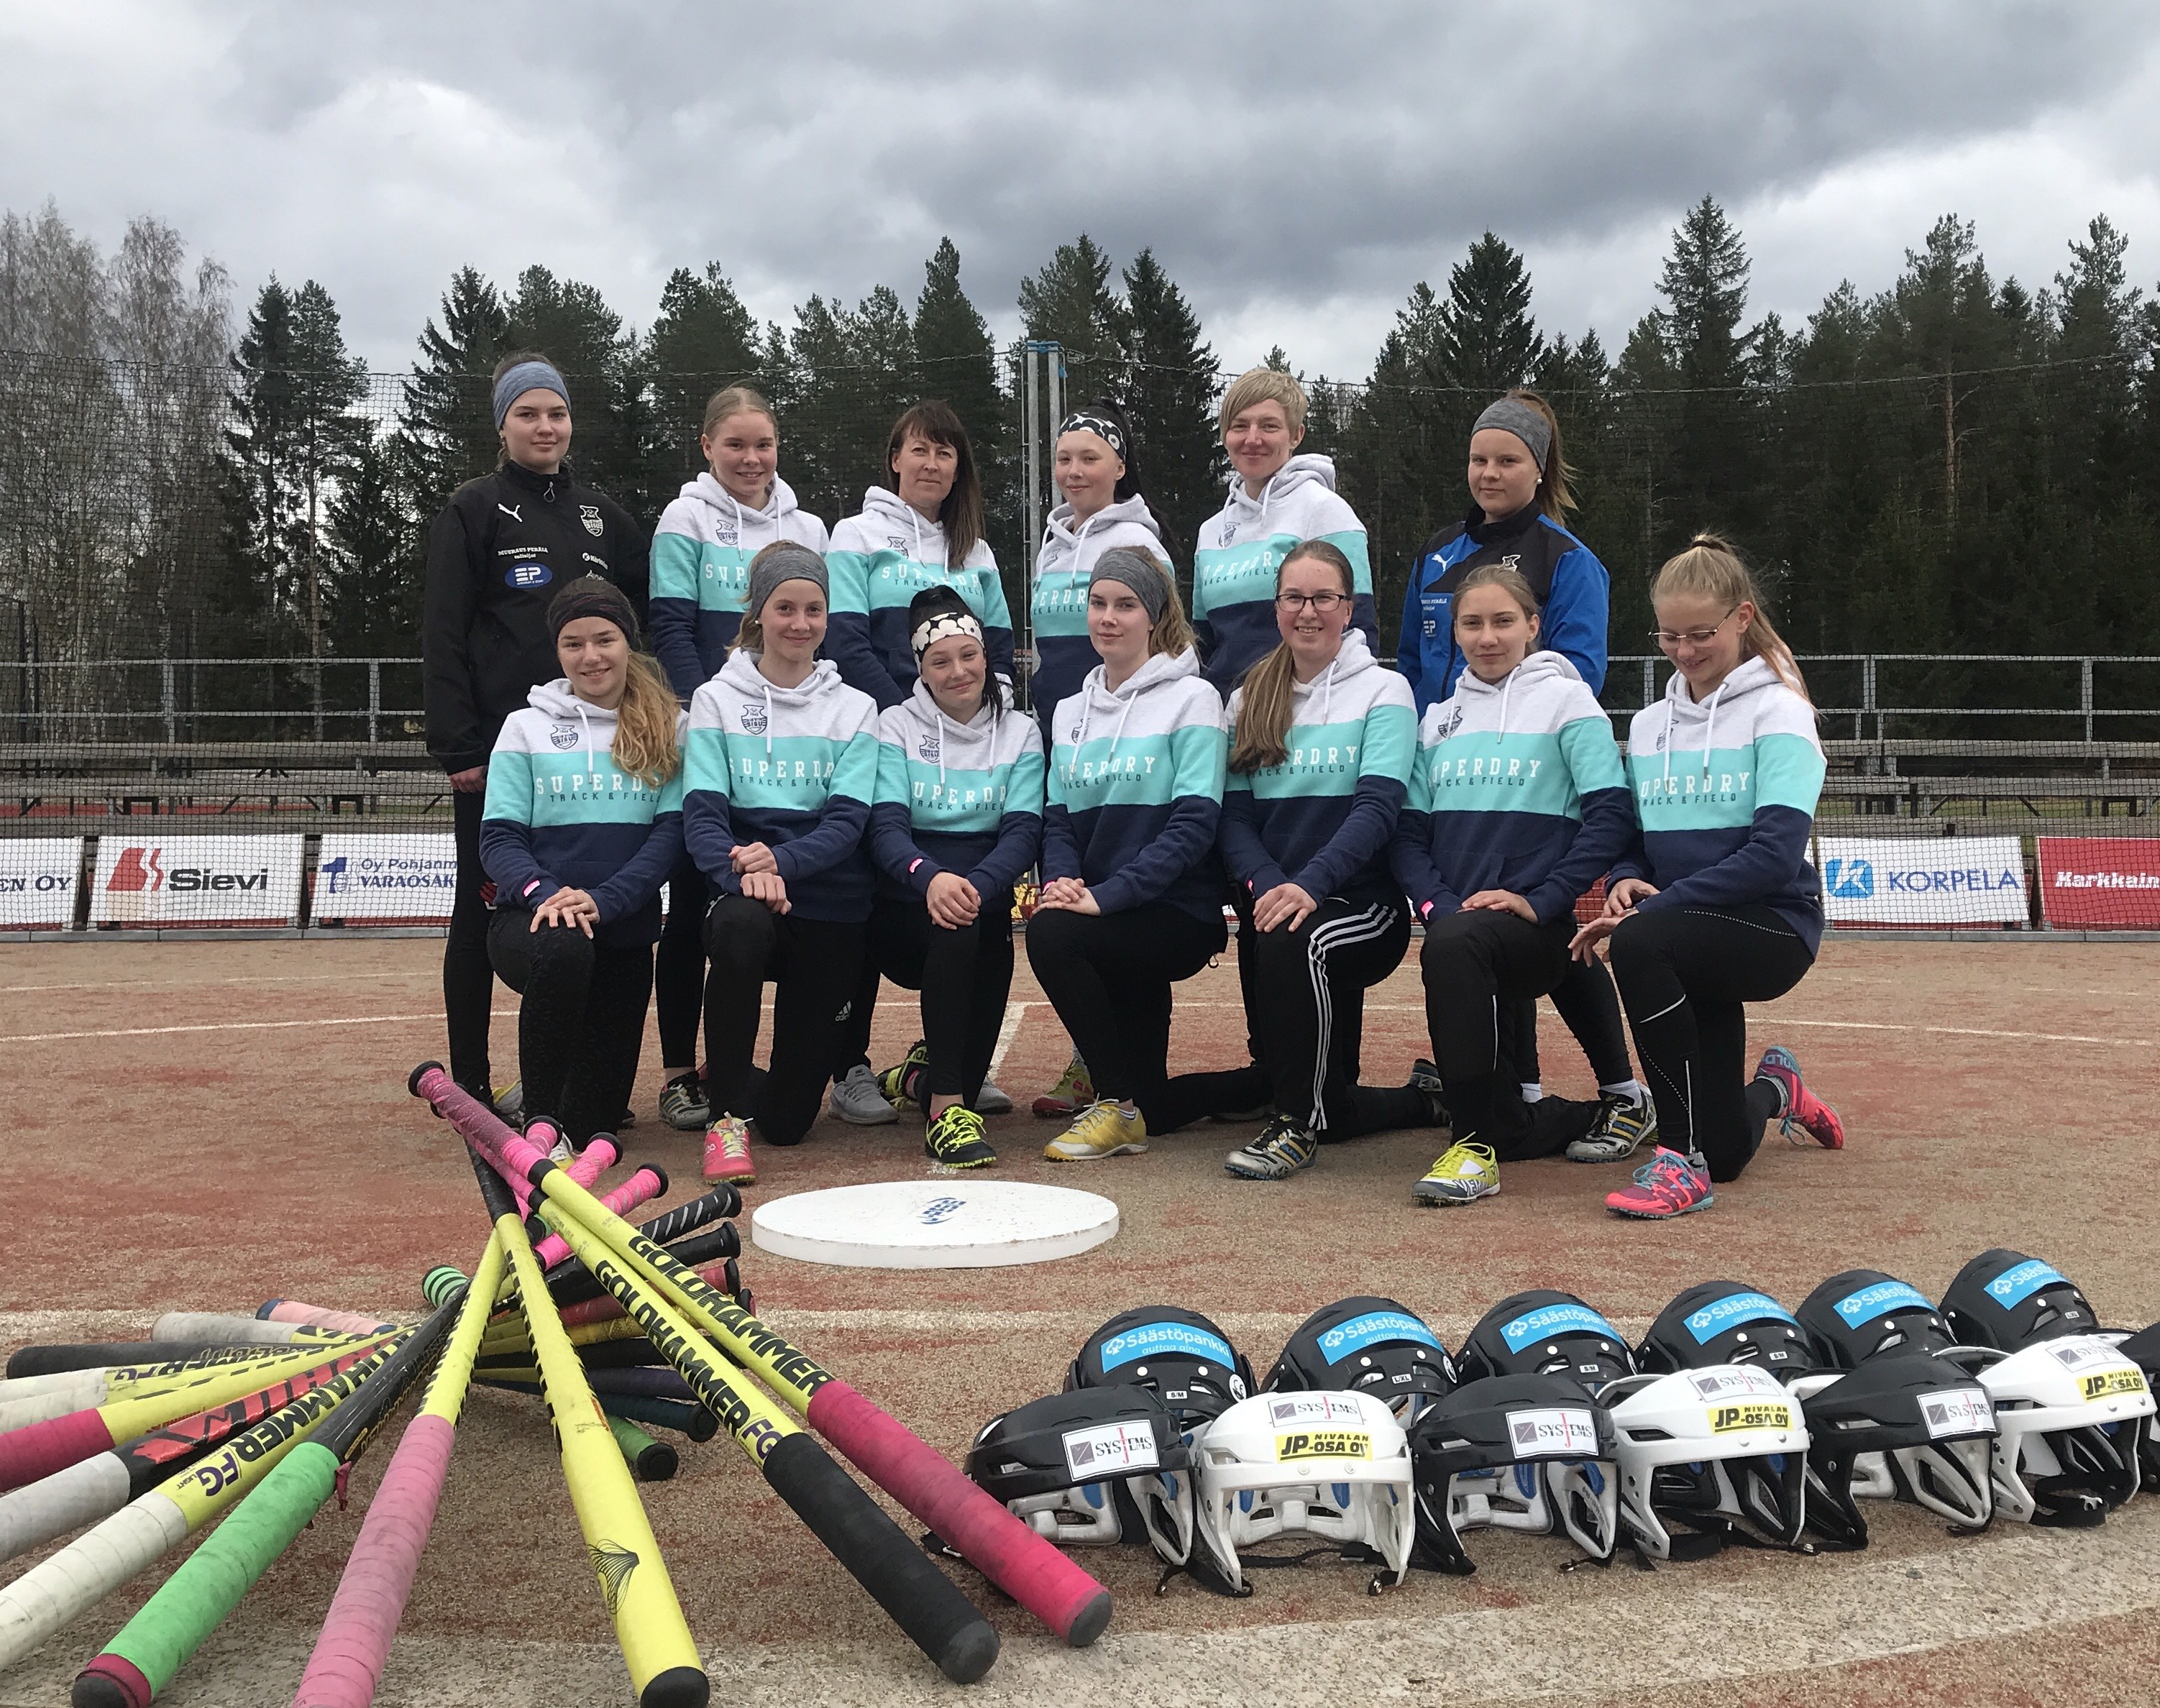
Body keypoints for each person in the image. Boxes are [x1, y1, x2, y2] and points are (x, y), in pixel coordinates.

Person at [1395, 390, 1651, 1162]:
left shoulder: (1567, 560)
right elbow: (1411, 661)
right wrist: (1446, 728)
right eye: (1478, 459)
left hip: (1530, 777)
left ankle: (1611, 1093)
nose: (1489, 473)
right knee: (1480, 921)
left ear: (1538, 469)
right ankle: (1522, 1094)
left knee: (1539, 924)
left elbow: (1579, 669)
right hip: (1453, 765)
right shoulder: (1437, 553)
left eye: (1507, 460)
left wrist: (1517, 719)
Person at [1143, 541, 1442, 1179]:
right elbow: (1234, 816)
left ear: (1349, 608)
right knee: (1329, 1094)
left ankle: (1293, 1126)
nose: (1308, 612)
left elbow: (1377, 810)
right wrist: (1270, 882)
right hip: (1279, 901)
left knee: (1294, 939)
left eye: (1323, 598)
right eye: (1294, 598)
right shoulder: (1250, 694)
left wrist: (1308, 885)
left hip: (1363, 906)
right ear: (1277, 607)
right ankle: (1416, 1100)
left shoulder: (1384, 691)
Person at [1571, 536, 1846, 1220]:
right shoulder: (1650, 725)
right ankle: (1777, 1090)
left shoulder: (1781, 711)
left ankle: (1677, 1160)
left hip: (1772, 926)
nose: (1684, 650)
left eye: (1701, 634)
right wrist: (1628, 878)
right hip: (1682, 929)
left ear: (1742, 618)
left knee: (1640, 944)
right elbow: (1638, 840)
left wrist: (1656, 908)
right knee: (1728, 1150)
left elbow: (1775, 855)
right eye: (1669, 636)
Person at [422, 353, 646, 1111]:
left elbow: (643, 627)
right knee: (478, 909)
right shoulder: (474, 510)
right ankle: (472, 1084)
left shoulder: (603, 517)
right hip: (500, 755)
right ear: (503, 425)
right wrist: (459, 745)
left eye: (556, 413)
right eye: (528, 414)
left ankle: (577, 1078)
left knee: (586, 911)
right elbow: (443, 631)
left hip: (600, 755)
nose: (545, 427)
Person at [1391, 564, 1634, 1207]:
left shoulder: (1568, 703)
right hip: (1461, 927)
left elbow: (1610, 815)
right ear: (1454, 631)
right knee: (1455, 944)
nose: (1487, 637)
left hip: (1538, 932)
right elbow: (1408, 835)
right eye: (1471, 623)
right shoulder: (1436, 720)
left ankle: (1472, 1151)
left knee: (1455, 947)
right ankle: (1592, 1112)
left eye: (1503, 621)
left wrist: (1541, 899)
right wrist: (1440, 906)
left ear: (1532, 625)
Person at [825, 401, 1015, 1124]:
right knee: (864, 900)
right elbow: (846, 642)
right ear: (894, 458)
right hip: (881, 736)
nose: (931, 463)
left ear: (959, 467)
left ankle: (951, 1066)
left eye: (945, 452)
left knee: (975, 905)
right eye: (919, 449)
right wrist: (911, 716)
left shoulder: (977, 551)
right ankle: (849, 1068)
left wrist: (976, 719)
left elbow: (998, 652)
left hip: (965, 737)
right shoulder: (855, 535)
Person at [646, 387, 830, 1135]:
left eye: (764, 445)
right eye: (736, 445)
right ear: (707, 447)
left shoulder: (808, 527)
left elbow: (816, 623)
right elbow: (671, 624)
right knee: (693, 904)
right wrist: (711, 710)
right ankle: (676, 1073)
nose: (752, 459)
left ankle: (806, 1068)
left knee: (797, 907)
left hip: (788, 729)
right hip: (711, 726)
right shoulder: (683, 518)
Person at [683, 543, 879, 1185]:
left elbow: (847, 825)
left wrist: (782, 864)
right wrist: (748, 878)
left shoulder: (856, 708)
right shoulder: (714, 700)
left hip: (829, 907)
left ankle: (733, 1069)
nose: (800, 623)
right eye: (785, 608)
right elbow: (703, 820)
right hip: (747, 896)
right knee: (739, 929)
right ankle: (724, 1119)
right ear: (758, 614)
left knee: (790, 1124)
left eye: (813, 609)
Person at [1028, 550, 1228, 1160]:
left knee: (1052, 936)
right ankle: (1267, 1085)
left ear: (1155, 616)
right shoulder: (1070, 711)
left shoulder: (1195, 699)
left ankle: (1112, 1105)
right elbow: (1058, 820)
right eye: (1098, 603)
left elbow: (1194, 826)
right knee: (1156, 1110)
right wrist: (1064, 881)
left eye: (1125, 605)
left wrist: (1103, 897)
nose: (1108, 618)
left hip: (1175, 912)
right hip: (1103, 910)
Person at [477, 577, 682, 1149]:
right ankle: (540, 1120)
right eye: (574, 643)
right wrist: (547, 895)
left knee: (596, 1123)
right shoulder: (524, 727)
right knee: (566, 947)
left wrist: (605, 900)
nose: (590, 656)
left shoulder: (670, 726)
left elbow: (670, 837)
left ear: (627, 644)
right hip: (532, 922)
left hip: (622, 931)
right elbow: (498, 838)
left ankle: (562, 1092)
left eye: (604, 640)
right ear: (558, 651)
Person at [1028, 398, 1173, 1119]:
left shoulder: (1142, 542)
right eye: (1064, 458)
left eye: (1090, 457)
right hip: (1068, 736)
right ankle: (1095, 1059)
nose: (1075, 470)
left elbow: (1165, 638)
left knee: (1119, 904)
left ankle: (1107, 1067)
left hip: (1129, 745)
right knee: (1071, 892)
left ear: (1120, 465)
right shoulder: (1051, 545)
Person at [866, 587, 1047, 1167]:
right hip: (906, 913)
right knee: (956, 927)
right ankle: (945, 1115)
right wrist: (931, 879)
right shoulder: (895, 725)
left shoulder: (1020, 732)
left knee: (968, 1079)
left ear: (985, 657)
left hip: (980, 907)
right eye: (940, 661)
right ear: (920, 669)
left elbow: (1022, 833)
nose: (958, 671)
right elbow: (885, 829)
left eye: (968, 655)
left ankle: (922, 1080)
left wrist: (973, 886)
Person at [1192, 367, 1374, 696]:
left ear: (1296, 435)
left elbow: (1358, 630)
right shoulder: (1210, 531)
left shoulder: (1326, 511)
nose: (1252, 439)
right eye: (1239, 426)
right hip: (1224, 712)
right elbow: (1204, 643)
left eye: (1269, 426)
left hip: (1302, 710)